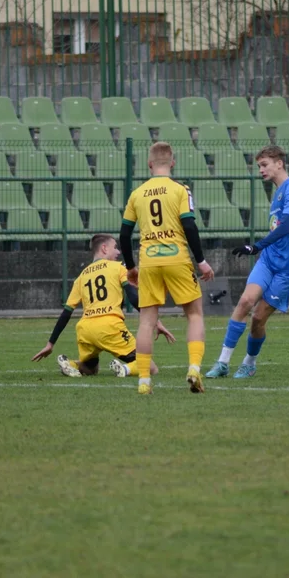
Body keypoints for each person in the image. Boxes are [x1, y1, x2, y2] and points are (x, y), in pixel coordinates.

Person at [206, 145, 289, 379]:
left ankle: (249, 363)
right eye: (259, 166)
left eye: (264, 165)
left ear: (279, 163)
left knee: (258, 318)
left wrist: (256, 246)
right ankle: (222, 363)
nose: (260, 170)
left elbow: (288, 227)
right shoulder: (279, 192)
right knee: (245, 302)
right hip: (269, 261)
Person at [119, 142, 214, 395]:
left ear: (149, 164)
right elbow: (190, 226)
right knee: (194, 315)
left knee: (146, 322)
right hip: (177, 258)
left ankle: (143, 382)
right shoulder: (181, 190)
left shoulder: (137, 193)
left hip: (148, 261)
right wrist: (201, 261)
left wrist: (130, 267)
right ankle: (194, 368)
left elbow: (124, 233)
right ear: (172, 163)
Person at [31, 234, 175, 377]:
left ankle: (72, 364)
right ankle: (124, 370)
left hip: (85, 330)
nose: (118, 252)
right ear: (104, 248)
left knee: (91, 369)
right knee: (150, 367)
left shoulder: (81, 276)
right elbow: (133, 297)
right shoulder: (118, 267)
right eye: (115, 247)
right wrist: (155, 321)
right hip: (110, 327)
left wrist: (50, 344)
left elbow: (66, 313)